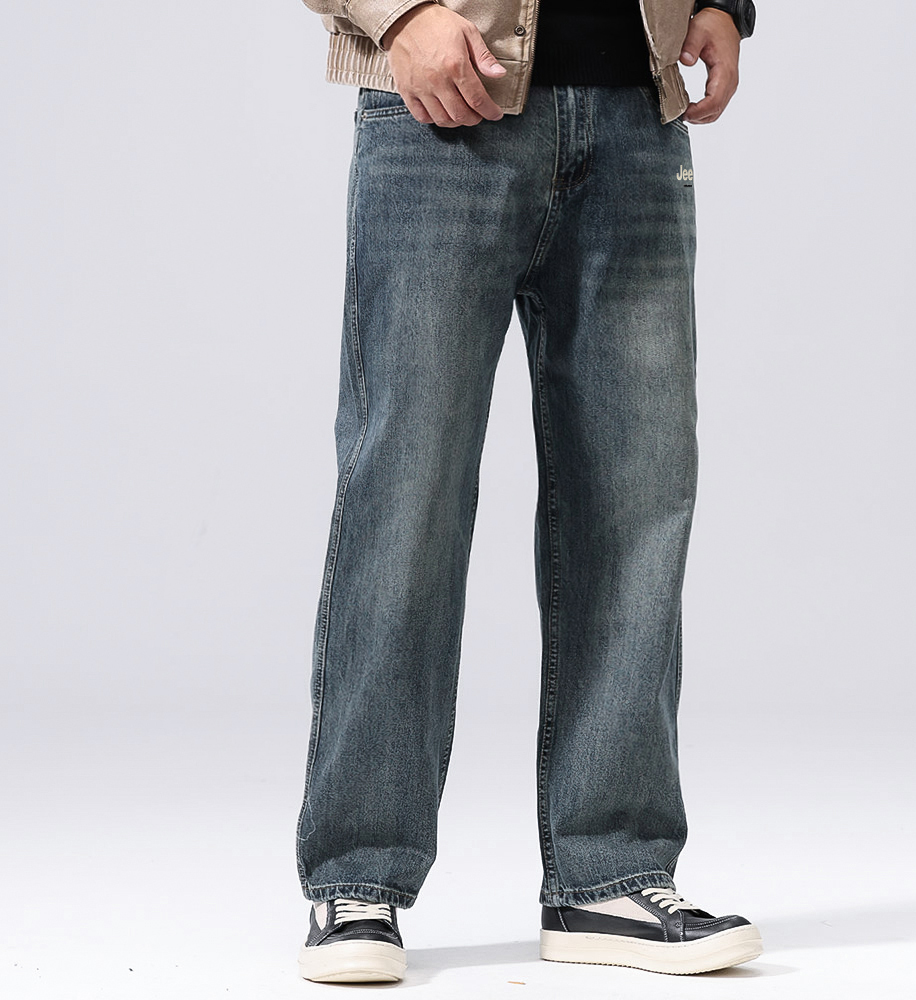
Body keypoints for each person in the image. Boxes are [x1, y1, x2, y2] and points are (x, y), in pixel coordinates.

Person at [293, 0, 761, 984]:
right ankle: (358, 875)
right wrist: (398, 17)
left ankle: (609, 873)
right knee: (406, 496)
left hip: (636, 116)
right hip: (442, 114)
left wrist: (722, 2)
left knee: (635, 499)